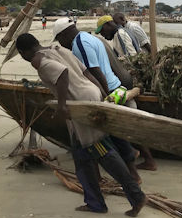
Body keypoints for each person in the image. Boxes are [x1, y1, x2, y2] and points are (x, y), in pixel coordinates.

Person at [15, 33, 146, 216]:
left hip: (79, 103)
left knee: (101, 149)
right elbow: (86, 72)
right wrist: (100, 94)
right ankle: (95, 202)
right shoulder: (58, 49)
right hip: (89, 94)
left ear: (22, 52)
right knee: (80, 154)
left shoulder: (39, 60)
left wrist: (61, 105)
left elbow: (62, 74)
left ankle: (136, 195)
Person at [53, 18, 144, 179]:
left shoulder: (79, 44)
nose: (61, 43)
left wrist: (104, 96)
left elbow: (94, 71)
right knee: (114, 133)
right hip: (112, 85)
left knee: (110, 134)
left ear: (65, 34)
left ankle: (131, 167)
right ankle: (131, 161)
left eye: (59, 39)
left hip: (107, 89)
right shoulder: (88, 37)